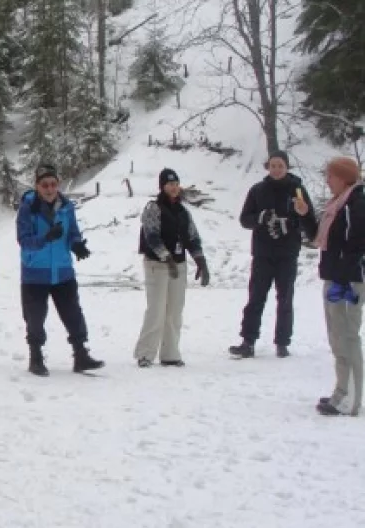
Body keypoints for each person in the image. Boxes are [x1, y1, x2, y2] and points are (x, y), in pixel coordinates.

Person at [16, 163, 104, 377]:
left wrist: (76, 244)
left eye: (53, 184)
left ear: (58, 184)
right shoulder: (28, 207)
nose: (49, 189)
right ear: (37, 186)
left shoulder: (67, 206)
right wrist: (46, 238)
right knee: (35, 317)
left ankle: (81, 354)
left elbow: (73, 231)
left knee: (73, 313)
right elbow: (24, 240)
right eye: (44, 184)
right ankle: (36, 357)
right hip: (35, 272)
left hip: (63, 271)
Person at [229, 151, 318, 359]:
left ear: (287, 167)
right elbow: (244, 219)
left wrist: (298, 217)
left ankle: (282, 342)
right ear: (268, 167)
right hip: (263, 253)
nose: (276, 169)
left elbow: (311, 225)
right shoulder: (258, 190)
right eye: (273, 165)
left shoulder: (297, 190)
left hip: (287, 252)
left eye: (280, 165)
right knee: (256, 297)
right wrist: (261, 217)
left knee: (285, 298)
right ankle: (248, 341)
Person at [133, 168, 210, 368]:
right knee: (157, 310)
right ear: (162, 187)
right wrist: (166, 258)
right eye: (169, 184)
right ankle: (145, 353)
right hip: (157, 265)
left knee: (175, 311)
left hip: (179, 264)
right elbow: (151, 236)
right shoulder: (153, 208)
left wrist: (200, 261)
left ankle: (170, 353)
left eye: (176, 184)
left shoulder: (183, 212)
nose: (174, 188)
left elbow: (192, 237)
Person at [313, 157, 365, 417]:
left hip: (348, 280)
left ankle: (350, 398)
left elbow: (356, 244)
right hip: (335, 276)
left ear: (344, 177)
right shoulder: (339, 203)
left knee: (347, 336)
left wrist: (344, 278)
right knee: (337, 337)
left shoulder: (355, 204)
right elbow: (324, 238)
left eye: (331, 175)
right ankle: (342, 389)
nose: (327, 180)